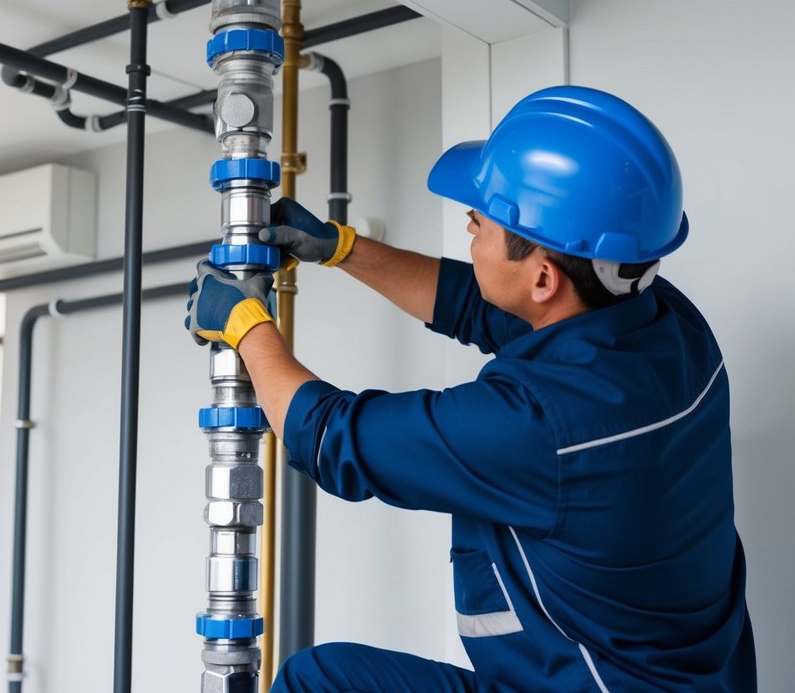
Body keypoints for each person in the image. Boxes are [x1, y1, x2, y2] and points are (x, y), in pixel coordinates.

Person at [186, 86, 757, 692]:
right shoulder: (670, 327)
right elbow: (484, 307)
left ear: (542, 276)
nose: (470, 226)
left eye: (481, 224)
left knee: (320, 683)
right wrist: (342, 249)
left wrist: (246, 326)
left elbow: (330, 436)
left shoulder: (544, 425)